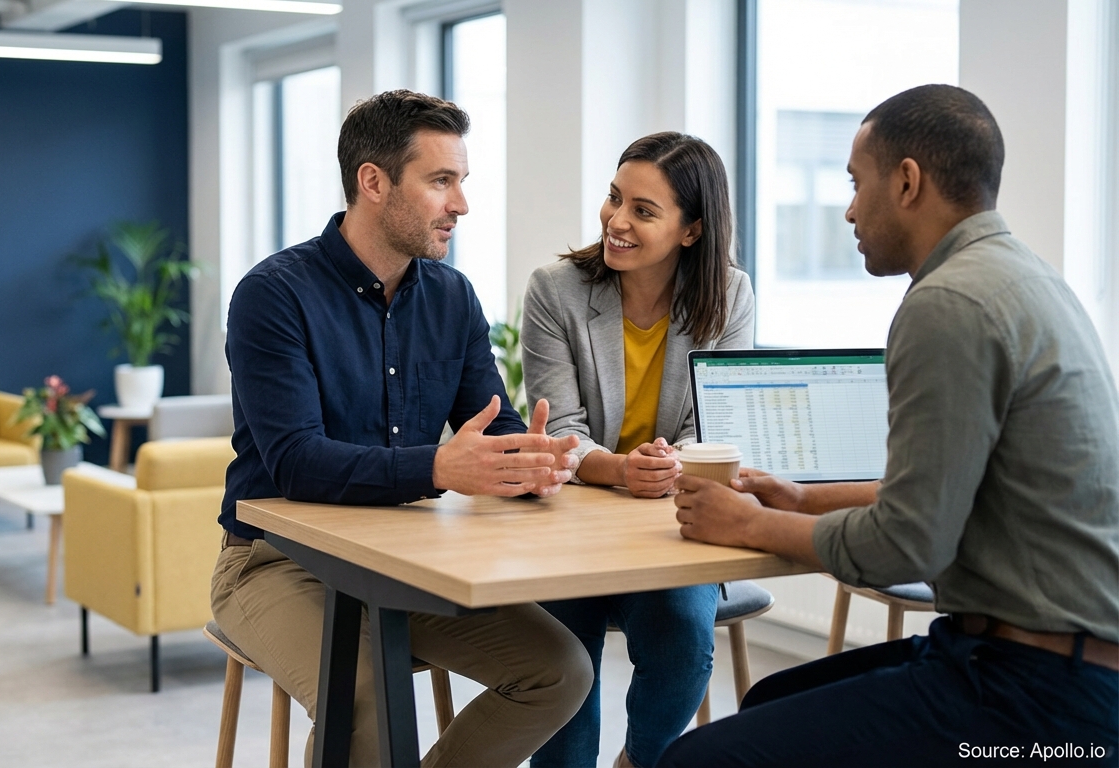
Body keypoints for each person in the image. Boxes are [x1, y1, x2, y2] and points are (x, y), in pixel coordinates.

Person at [659, 84, 1119, 767]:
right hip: (1045, 662)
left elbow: (909, 542)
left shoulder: (949, 302)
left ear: (907, 182)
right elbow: (951, 494)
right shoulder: (1022, 278)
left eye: (855, 182)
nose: (847, 208)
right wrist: (804, 497)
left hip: (1041, 698)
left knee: (695, 760)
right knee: (766, 703)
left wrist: (745, 523)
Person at [211, 89, 594, 768]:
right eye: (441, 181)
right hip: (276, 563)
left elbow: (492, 427)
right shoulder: (273, 295)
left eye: (462, 182)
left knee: (559, 671)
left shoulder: (452, 297)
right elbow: (297, 463)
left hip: (404, 559)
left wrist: (531, 461)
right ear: (373, 182)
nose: (462, 205)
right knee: (362, 698)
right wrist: (440, 469)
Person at [521, 132, 755, 768]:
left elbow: (713, 424)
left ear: (691, 230)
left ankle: (639, 763)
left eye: (644, 211)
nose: (616, 221)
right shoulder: (556, 290)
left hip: (669, 523)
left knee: (683, 637)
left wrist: (672, 463)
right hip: (571, 519)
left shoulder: (728, 296)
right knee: (562, 657)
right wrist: (623, 469)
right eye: (613, 198)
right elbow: (560, 427)